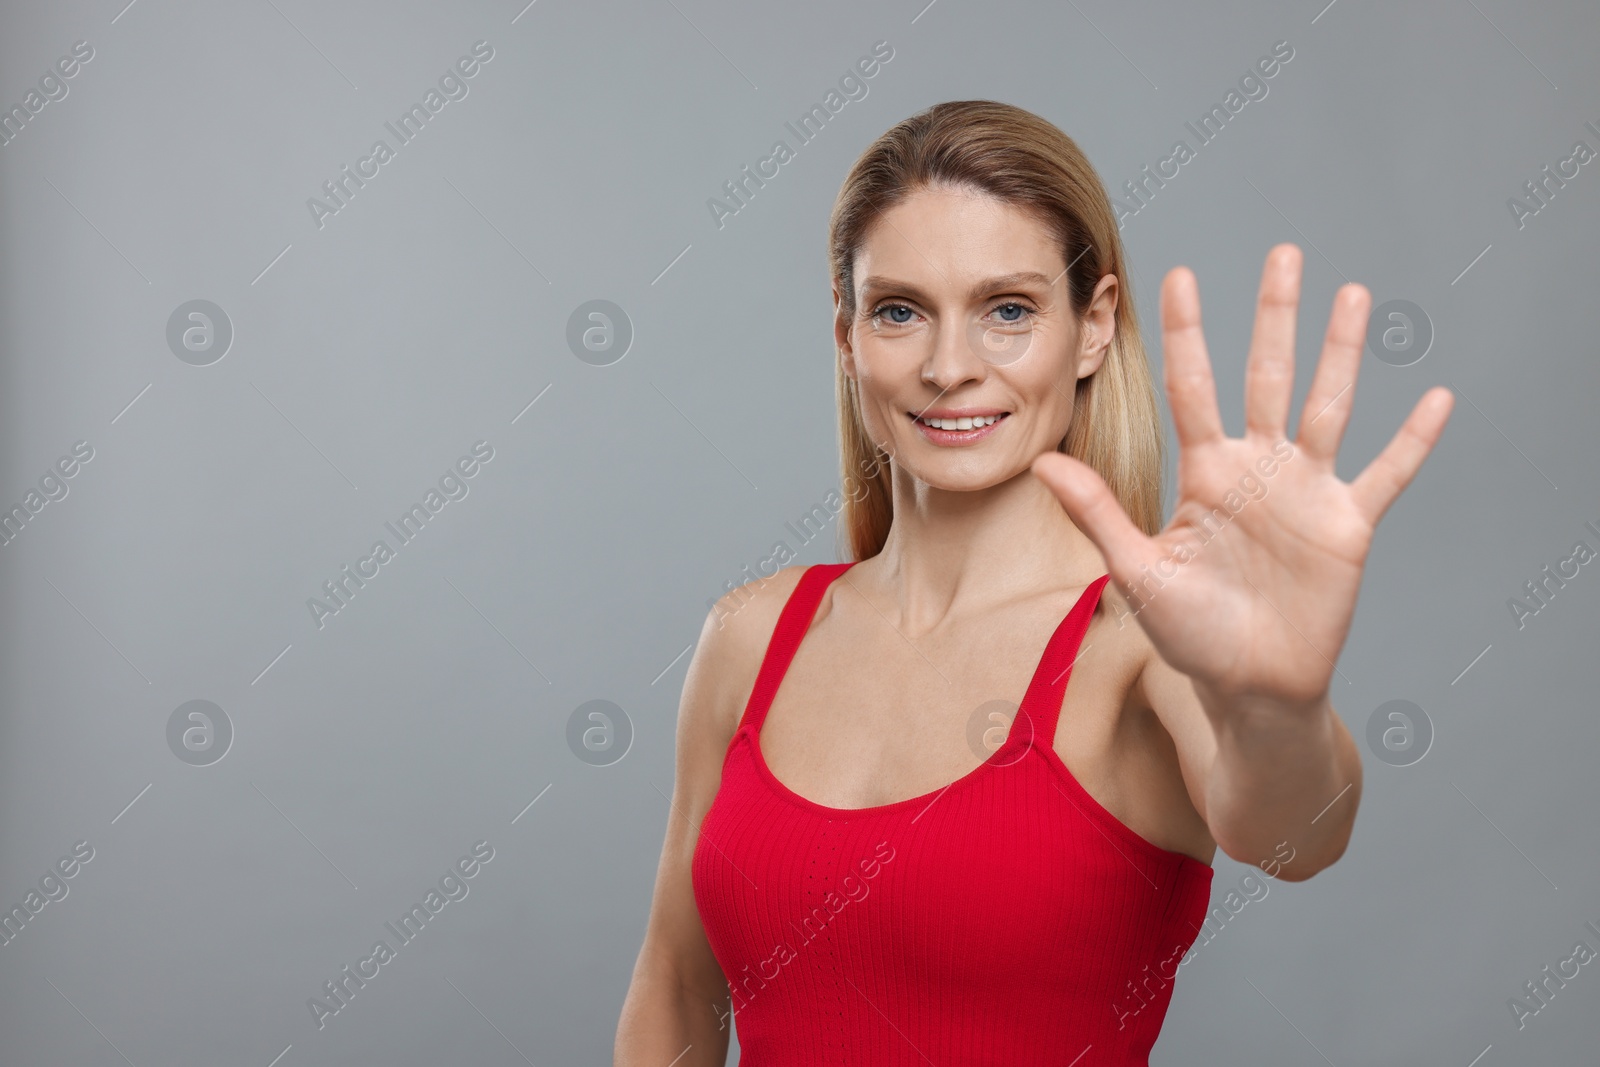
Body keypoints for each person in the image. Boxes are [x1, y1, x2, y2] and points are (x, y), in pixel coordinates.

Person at [614, 99, 1453, 1066]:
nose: (948, 366)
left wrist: (1276, 700)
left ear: (1092, 328)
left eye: (1007, 310)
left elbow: (1298, 836)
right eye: (900, 311)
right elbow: (675, 982)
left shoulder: (1143, 642)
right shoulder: (752, 634)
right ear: (846, 337)